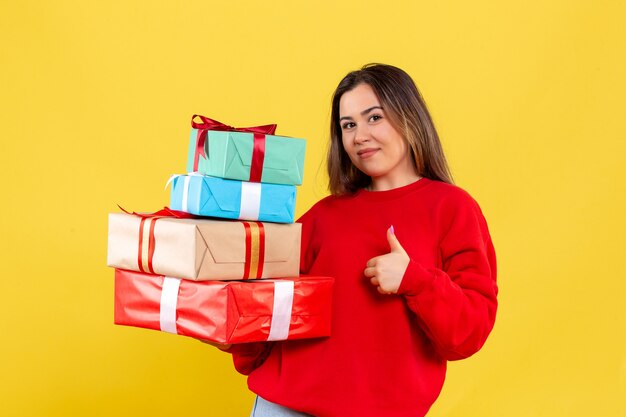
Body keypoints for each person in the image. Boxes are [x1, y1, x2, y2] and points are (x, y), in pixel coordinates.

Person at [221, 63, 498, 417]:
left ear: (409, 117)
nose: (359, 136)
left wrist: (415, 279)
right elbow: (271, 302)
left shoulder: (453, 209)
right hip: (284, 407)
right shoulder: (322, 216)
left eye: (374, 118)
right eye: (348, 125)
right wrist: (230, 336)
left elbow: (469, 332)